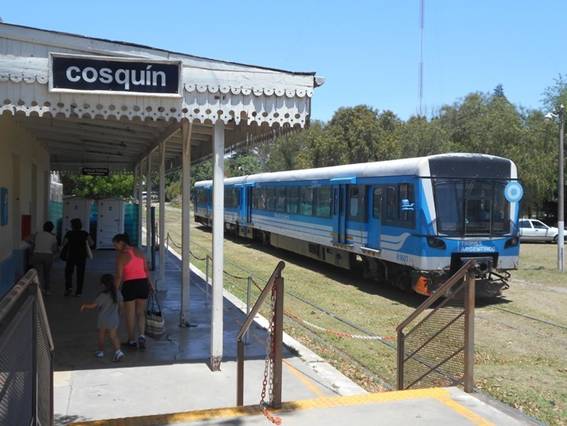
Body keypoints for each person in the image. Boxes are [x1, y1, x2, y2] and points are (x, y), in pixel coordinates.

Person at [112, 233, 153, 350]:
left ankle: (131, 340)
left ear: (121, 242)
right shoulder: (139, 252)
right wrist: (149, 283)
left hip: (130, 285)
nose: (115, 247)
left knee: (130, 314)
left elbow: (119, 276)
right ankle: (142, 336)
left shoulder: (121, 256)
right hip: (142, 284)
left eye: (115, 244)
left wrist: (114, 290)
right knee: (140, 312)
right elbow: (146, 269)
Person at [80, 274, 125, 362]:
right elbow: (121, 306)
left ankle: (100, 351)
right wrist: (119, 314)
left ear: (103, 285)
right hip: (114, 319)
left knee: (101, 335)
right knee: (113, 336)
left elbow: (93, 306)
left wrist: (85, 306)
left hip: (103, 320)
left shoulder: (102, 295)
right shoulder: (117, 292)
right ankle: (118, 351)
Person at [62, 218, 94, 297]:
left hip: (71, 256)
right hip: (81, 256)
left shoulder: (69, 233)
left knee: (68, 273)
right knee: (80, 274)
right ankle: (78, 292)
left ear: (72, 226)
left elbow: (64, 243)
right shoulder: (85, 233)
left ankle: (68, 288)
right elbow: (91, 243)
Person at [30, 221, 59, 295]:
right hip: (48, 256)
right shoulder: (53, 237)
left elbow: (28, 240)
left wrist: (34, 247)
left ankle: (39, 290)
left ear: (43, 227)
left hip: (37, 255)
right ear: (52, 229)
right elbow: (55, 249)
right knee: (47, 273)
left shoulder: (37, 234)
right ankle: (47, 290)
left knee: (38, 274)